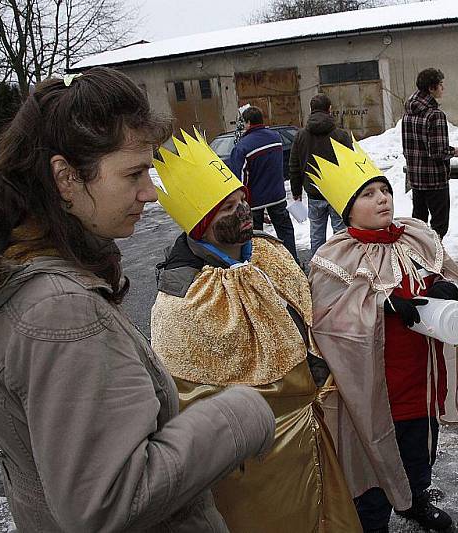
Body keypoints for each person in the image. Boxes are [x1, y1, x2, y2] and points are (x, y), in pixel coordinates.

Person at [0, 67, 275, 531]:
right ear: (66, 178)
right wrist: (238, 415)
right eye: (134, 173)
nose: (150, 194)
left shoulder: (21, 277)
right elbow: (108, 500)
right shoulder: (60, 312)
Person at [150, 130, 361, 532]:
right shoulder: (183, 298)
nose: (244, 210)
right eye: (228, 207)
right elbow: (191, 402)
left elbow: (305, 315)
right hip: (253, 462)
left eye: (243, 200)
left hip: (310, 436)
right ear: (201, 223)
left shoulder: (266, 250)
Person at [307, 138, 458, 533]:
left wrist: (447, 287)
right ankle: (374, 518)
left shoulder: (416, 235)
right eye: (368, 194)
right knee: (375, 452)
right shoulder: (334, 258)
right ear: (347, 208)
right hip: (376, 386)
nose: (382, 199)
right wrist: (381, 306)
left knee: (419, 446)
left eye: (385, 190)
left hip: (423, 374)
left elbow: (452, 276)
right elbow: (326, 322)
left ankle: (415, 498)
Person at [228, 105, 298, 262]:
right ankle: (293, 261)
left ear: (247, 123)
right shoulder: (276, 138)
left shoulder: (243, 146)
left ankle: (260, 266)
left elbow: (240, 178)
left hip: (255, 201)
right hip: (278, 195)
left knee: (255, 237)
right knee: (285, 230)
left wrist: (242, 200)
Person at [289, 93, 352, 257]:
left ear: (311, 110)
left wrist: (296, 193)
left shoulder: (301, 136)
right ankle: (343, 265)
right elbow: (351, 165)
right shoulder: (341, 135)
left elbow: (294, 166)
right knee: (341, 235)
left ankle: (318, 269)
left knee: (316, 236)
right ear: (329, 109)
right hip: (338, 194)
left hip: (314, 194)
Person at [402, 67, 458, 239]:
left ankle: (419, 254)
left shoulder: (408, 113)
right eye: (441, 85)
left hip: (416, 177)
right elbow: (438, 152)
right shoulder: (435, 115)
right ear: (431, 88)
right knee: (439, 225)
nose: (443, 88)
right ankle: (435, 256)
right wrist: (454, 152)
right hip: (435, 179)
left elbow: (408, 147)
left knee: (418, 221)